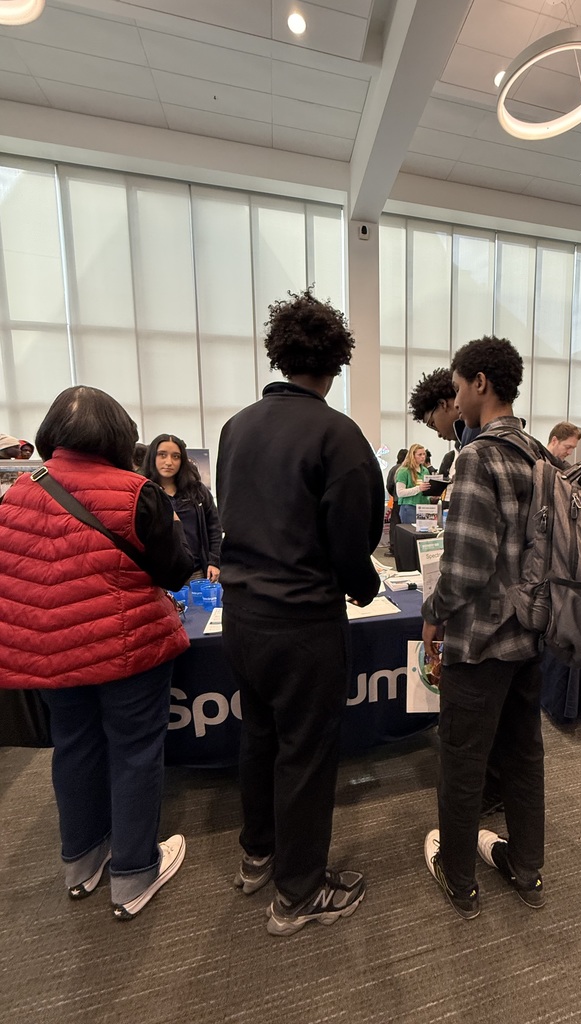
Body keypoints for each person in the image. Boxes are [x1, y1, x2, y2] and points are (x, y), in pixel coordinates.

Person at [216, 289, 383, 937]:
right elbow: (352, 537)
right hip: (303, 623)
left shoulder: (235, 427)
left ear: (279, 353)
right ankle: (299, 893)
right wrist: (365, 586)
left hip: (242, 617)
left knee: (258, 736)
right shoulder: (337, 435)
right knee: (306, 754)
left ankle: (257, 851)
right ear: (336, 363)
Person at [0, 386, 192, 919]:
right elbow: (176, 571)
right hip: (126, 647)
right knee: (134, 752)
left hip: (48, 652)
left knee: (74, 748)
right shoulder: (137, 493)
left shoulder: (17, 492)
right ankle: (134, 873)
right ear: (118, 434)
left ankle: (81, 864)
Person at [421, 335, 546, 920]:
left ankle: (460, 877)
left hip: (482, 638)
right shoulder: (539, 452)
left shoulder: (476, 457)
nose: (454, 398)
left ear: (479, 384)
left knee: (463, 758)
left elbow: (466, 566)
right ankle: (527, 866)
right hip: (531, 633)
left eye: (456, 385)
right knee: (523, 753)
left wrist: (432, 611)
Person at [142, 434, 221, 583]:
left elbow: (214, 527)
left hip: (197, 573)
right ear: (153, 456)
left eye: (176, 456)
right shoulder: (144, 493)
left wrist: (214, 561)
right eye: (162, 455)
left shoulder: (197, 490)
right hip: (158, 577)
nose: (169, 462)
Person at [409, 367, 482, 448]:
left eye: (433, 424)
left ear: (442, 404)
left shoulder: (476, 434)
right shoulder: (467, 437)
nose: (439, 434)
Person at [394, 443, 431, 525]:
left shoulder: (425, 470)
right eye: (420, 454)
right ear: (412, 455)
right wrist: (419, 489)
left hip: (425, 506)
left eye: (424, 454)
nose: (423, 457)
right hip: (410, 506)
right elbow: (400, 493)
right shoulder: (403, 471)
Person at [385, 447, 408, 549]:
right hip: (407, 501)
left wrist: (394, 495)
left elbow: (389, 485)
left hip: (396, 500)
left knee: (395, 524)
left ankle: (393, 546)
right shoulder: (408, 470)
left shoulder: (394, 469)